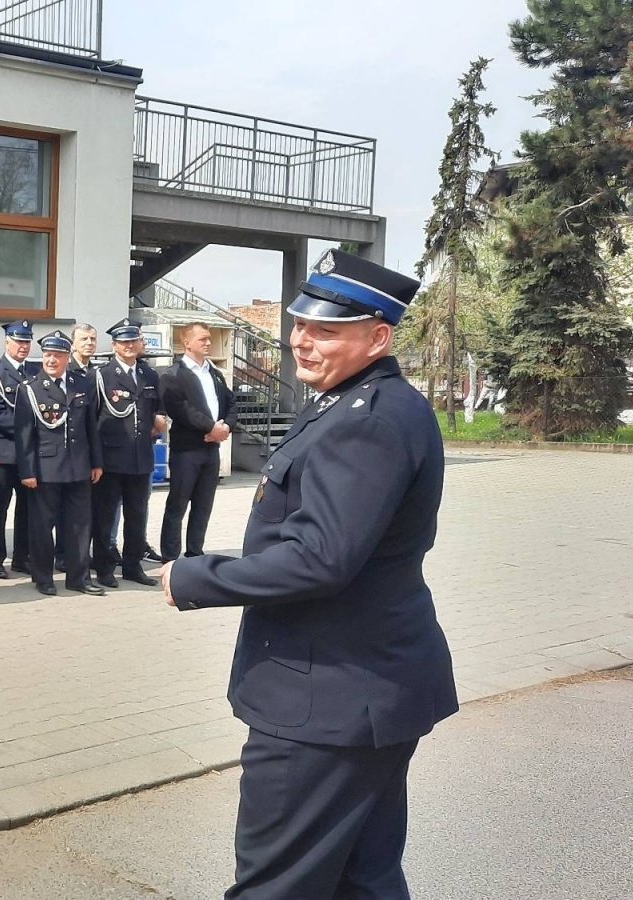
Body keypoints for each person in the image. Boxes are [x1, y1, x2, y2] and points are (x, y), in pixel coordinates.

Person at [163, 250, 456, 899]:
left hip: (326, 700)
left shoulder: (367, 420)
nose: (302, 338)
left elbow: (322, 557)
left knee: (279, 886)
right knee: (361, 879)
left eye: (326, 329)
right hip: (361, 690)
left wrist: (195, 577)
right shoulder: (352, 402)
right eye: (300, 322)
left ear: (378, 336)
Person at [15, 331, 103, 596]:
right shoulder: (29, 389)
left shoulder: (81, 383)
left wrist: (96, 462)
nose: (51, 360)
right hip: (46, 468)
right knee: (42, 527)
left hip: (78, 466)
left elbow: (91, 427)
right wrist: (27, 471)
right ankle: (43, 577)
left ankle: (79, 577)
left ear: (67, 357)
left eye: (57, 355)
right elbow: (24, 435)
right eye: (47, 355)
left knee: (79, 525)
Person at [89, 322, 166, 588]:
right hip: (110, 459)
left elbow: (158, 411)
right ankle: (104, 567)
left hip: (140, 456)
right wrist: (95, 459)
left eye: (134, 341)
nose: (130, 346)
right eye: (124, 342)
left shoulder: (148, 375)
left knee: (137, 516)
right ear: (114, 346)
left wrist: (160, 421)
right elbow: (92, 419)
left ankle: (133, 566)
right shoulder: (102, 375)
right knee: (105, 516)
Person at [158, 321, 233, 563]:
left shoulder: (214, 374)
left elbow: (232, 404)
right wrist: (211, 427)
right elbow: (181, 409)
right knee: (177, 506)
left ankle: (194, 553)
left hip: (212, 448)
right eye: (203, 339)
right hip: (186, 451)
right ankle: (170, 557)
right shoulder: (173, 375)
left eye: (209, 339)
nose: (208, 343)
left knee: (203, 506)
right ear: (187, 343)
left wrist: (225, 427)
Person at [0, 320, 39, 579]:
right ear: (7, 342)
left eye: (27, 342)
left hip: (28, 455)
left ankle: (22, 557)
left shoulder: (35, 373)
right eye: (19, 341)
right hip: (4, 452)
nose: (23, 347)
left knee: (27, 509)